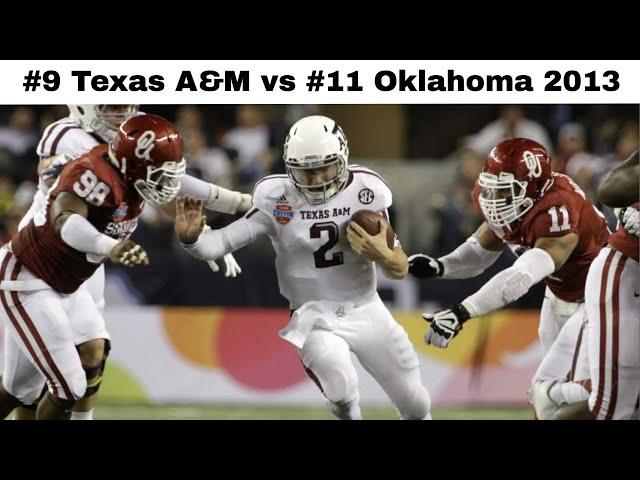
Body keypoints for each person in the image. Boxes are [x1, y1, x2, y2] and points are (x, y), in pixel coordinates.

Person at [175, 115, 432, 420]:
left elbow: (399, 269)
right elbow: (220, 244)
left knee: (416, 404)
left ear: (343, 157)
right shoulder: (276, 198)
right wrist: (192, 239)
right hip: (313, 316)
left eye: (326, 167)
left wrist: (383, 254)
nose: (318, 179)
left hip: (366, 309)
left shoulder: (366, 190)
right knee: (340, 387)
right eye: (306, 171)